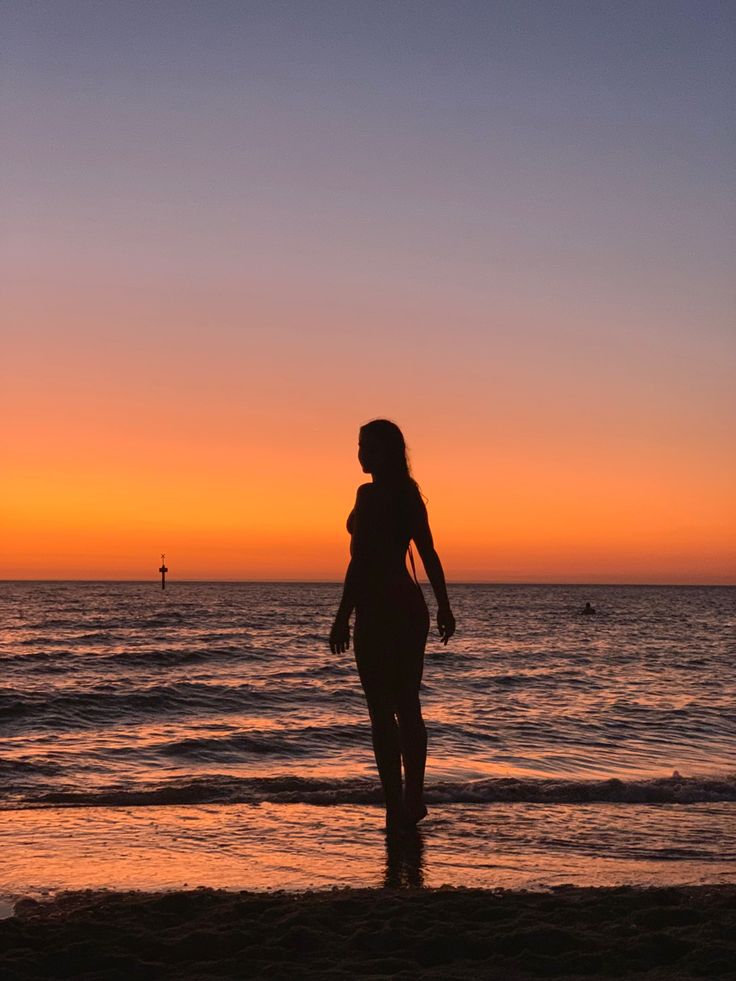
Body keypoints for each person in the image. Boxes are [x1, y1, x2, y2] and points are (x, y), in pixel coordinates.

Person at [329, 419, 456, 832]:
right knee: (386, 712)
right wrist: (344, 615)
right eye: (359, 446)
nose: (361, 454)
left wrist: (445, 605)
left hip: (396, 609)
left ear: (389, 450)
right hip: (380, 608)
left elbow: (426, 551)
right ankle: (399, 805)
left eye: (369, 446)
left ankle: (408, 800)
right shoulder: (370, 493)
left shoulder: (401, 494)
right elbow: (359, 561)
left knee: (399, 708)